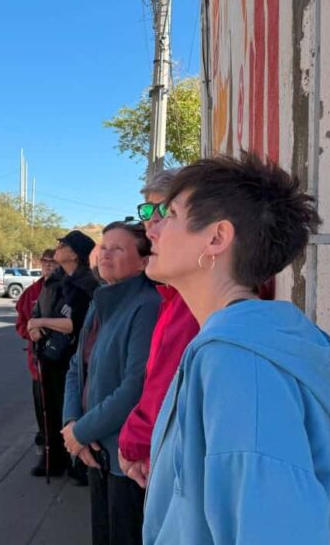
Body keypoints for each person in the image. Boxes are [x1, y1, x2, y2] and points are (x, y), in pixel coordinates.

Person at [143, 153, 330, 544]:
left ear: (216, 238)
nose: (152, 229)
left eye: (169, 213)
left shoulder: (241, 362)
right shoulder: (240, 345)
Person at [61, 221, 159, 545]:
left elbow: (134, 388)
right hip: (94, 450)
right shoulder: (100, 301)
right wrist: (72, 423)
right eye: (103, 247)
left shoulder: (147, 305)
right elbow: (76, 367)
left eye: (118, 248)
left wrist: (81, 433)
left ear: (144, 261)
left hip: (125, 460)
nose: (105, 254)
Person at [117, 170, 200, 488]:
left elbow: (163, 387)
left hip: (171, 467)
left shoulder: (195, 303)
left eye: (165, 211)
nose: (149, 227)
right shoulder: (173, 296)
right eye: (147, 212)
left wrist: (131, 445)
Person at [27, 230, 98, 477]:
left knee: (75, 409)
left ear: (76, 254)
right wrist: (35, 325)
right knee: (51, 410)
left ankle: (79, 465)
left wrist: (41, 323)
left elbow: (78, 323)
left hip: (76, 359)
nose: (57, 247)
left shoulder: (88, 284)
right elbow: (38, 311)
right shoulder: (55, 280)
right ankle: (55, 459)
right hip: (50, 356)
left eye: (63, 243)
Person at [14, 248, 59, 476]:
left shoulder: (67, 289)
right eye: (46, 262)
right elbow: (20, 323)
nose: (50, 266)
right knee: (42, 409)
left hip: (62, 361)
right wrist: (30, 332)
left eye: (54, 262)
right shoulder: (31, 292)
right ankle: (48, 452)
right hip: (38, 364)